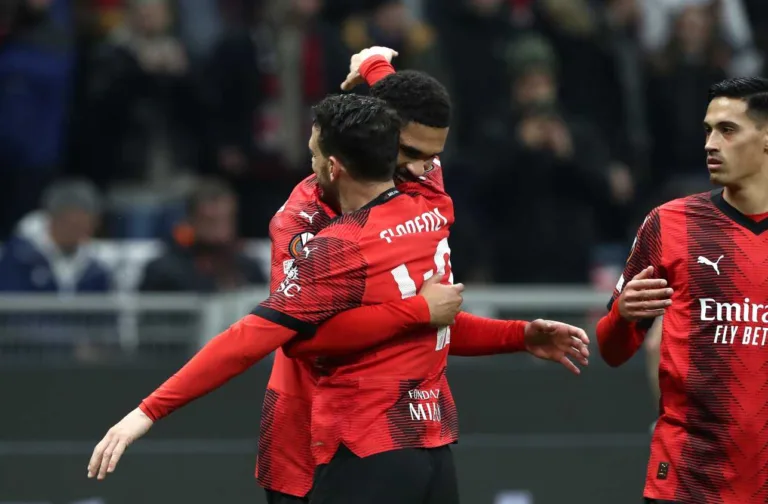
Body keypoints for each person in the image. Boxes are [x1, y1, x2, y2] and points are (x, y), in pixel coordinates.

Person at [88, 93, 589, 503]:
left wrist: (148, 411)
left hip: (359, 441)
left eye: (312, 154)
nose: (426, 164)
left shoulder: (336, 246)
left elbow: (266, 337)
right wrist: (374, 64)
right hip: (410, 439)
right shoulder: (430, 206)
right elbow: (406, 321)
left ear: (333, 163)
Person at [255, 48, 591, 504]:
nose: (422, 168)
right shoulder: (303, 221)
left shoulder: (419, 183)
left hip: (410, 434)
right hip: (309, 443)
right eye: (412, 154)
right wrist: (418, 310)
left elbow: (434, 321)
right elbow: (299, 337)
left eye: (432, 157)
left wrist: (517, 334)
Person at [596, 76, 768, 503]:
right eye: (708, 130)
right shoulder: (669, 224)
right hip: (686, 482)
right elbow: (612, 350)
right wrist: (623, 314)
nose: (711, 144)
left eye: (727, 130)